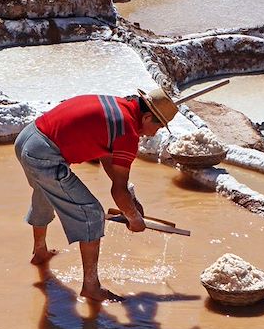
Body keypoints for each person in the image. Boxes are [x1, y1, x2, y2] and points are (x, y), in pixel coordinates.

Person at [14, 88, 178, 302]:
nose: (155, 133)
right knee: (92, 214)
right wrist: (135, 219)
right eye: (157, 126)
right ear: (147, 117)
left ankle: (40, 252)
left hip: (28, 138)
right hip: (44, 155)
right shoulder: (128, 132)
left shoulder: (119, 108)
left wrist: (131, 199)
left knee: (45, 192)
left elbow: (109, 158)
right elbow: (117, 191)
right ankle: (91, 287)